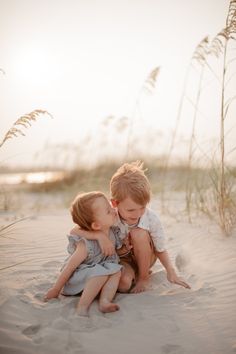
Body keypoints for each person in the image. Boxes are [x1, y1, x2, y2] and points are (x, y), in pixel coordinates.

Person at [71, 161, 190, 294]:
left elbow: (160, 249)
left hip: (146, 256)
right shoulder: (110, 216)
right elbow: (75, 231)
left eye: (142, 207)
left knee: (138, 233)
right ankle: (132, 275)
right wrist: (99, 236)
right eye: (131, 210)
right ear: (115, 203)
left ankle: (143, 277)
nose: (138, 214)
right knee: (123, 285)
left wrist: (171, 272)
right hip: (123, 260)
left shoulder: (150, 219)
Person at [45, 191, 123, 316]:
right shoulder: (86, 244)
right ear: (96, 225)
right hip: (78, 278)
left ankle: (105, 301)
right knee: (101, 273)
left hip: (97, 273)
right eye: (108, 211)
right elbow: (70, 267)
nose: (114, 211)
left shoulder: (113, 232)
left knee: (116, 271)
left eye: (110, 207)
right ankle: (82, 306)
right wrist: (56, 289)